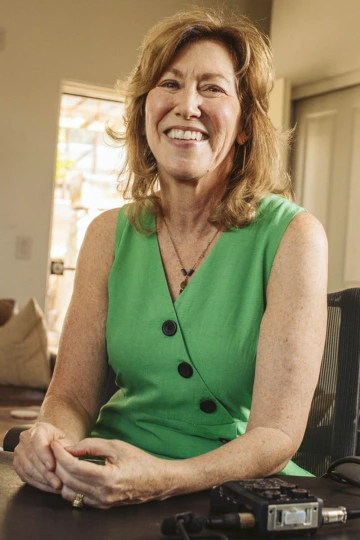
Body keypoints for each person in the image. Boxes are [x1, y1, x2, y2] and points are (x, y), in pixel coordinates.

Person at [14, 8, 328, 509]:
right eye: (170, 83)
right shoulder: (106, 235)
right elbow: (71, 399)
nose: (187, 105)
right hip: (105, 479)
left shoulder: (293, 236)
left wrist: (165, 478)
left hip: (226, 492)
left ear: (245, 124)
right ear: (144, 110)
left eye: (213, 88)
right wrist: (48, 437)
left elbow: (276, 434)